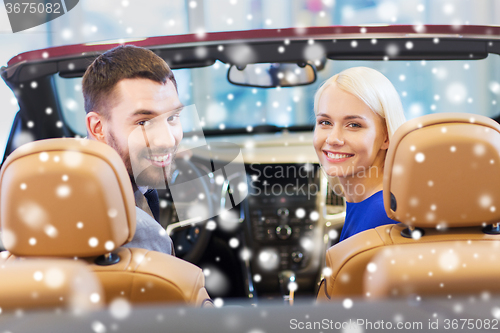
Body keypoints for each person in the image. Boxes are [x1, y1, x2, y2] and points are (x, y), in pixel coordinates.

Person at [82, 45, 182, 255]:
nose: (167, 140)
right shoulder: (138, 232)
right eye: (143, 122)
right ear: (97, 128)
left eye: (172, 118)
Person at [313, 67, 406, 242]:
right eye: (325, 122)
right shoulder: (371, 204)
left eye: (354, 125)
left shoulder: (384, 218)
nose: (333, 139)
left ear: (386, 136)